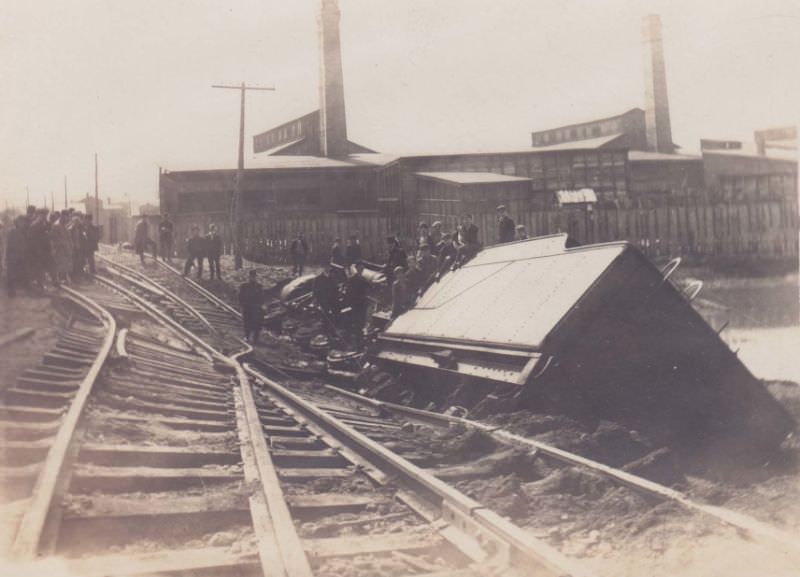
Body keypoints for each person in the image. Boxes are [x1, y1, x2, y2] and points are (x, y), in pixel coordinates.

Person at [345, 261, 370, 339]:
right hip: (356, 305)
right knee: (357, 324)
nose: (361, 270)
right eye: (360, 268)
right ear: (356, 268)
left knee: (362, 323)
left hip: (363, 304)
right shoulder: (352, 279)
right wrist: (352, 304)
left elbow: (369, 289)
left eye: (362, 269)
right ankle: (359, 344)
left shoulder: (364, 279)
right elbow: (348, 292)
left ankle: (361, 342)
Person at [238, 269, 264, 344]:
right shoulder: (244, 286)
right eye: (251, 277)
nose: (253, 278)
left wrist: (260, 306)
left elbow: (261, 297)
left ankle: (255, 338)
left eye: (254, 277)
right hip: (247, 307)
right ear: (248, 277)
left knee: (257, 322)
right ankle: (247, 336)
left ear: (256, 277)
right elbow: (240, 296)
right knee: (246, 322)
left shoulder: (259, 286)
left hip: (256, 307)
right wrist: (241, 305)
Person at [5, 216, 29, 296]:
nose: (22, 224)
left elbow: (25, 244)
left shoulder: (24, 232)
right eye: (21, 222)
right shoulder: (11, 232)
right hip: (13, 256)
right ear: (17, 223)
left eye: (23, 222)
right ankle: (11, 290)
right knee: (11, 274)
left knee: (22, 272)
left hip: (21, 255)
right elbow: (8, 245)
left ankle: (24, 288)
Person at [50, 211, 73, 284]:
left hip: (65, 248)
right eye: (66, 216)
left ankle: (63, 278)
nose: (67, 218)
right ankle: (60, 279)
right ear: (63, 216)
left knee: (64, 264)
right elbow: (54, 238)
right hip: (60, 248)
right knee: (60, 263)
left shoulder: (63, 224)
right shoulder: (57, 225)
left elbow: (68, 236)